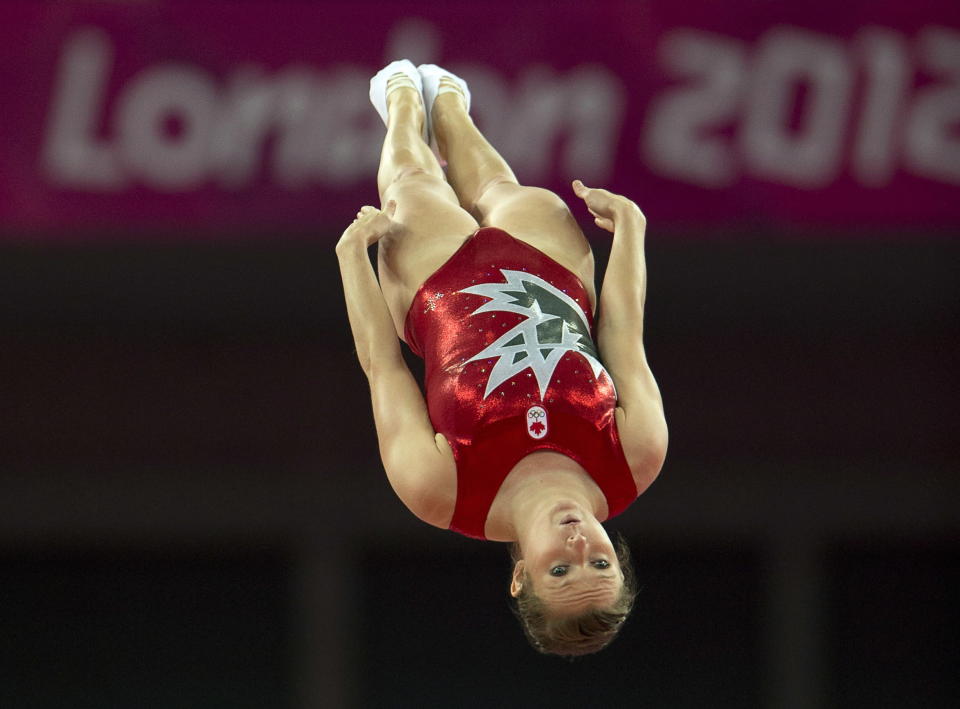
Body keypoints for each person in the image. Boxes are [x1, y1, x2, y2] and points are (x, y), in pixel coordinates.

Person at [336, 60, 667, 656]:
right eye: (598, 561)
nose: (576, 545)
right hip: (552, 272)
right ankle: (451, 106)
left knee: (412, 184)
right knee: (502, 191)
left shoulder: (441, 493)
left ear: (520, 579)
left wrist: (351, 258)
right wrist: (633, 233)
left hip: (434, 285)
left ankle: (404, 104)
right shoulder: (636, 456)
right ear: (616, 554)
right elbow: (622, 334)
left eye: (559, 573)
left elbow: (383, 368)